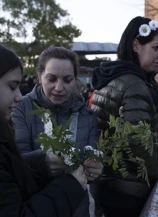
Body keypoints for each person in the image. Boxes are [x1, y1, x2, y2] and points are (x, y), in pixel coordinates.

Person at [0, 35, 88, 217]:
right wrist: (70, 187)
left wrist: (41, 164)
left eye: (68, 79)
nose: (19, 96)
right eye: (12, 86)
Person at [11, 45, 103, 216]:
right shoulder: (20, 108)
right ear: (39, 76)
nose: (59, 87)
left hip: (77, 208)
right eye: (51, 79)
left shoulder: (87, 115)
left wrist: (96, 169)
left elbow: (93, 157)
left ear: (76, 79)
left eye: (67, 80)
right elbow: (16, 159)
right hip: (36, 206)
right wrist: (42, 162)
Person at [90, 16, 158, 217]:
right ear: (136, 45)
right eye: (156, 48)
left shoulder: (113, 76)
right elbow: (137, 141)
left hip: (106, 184)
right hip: (126, 191)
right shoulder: (135, 85)